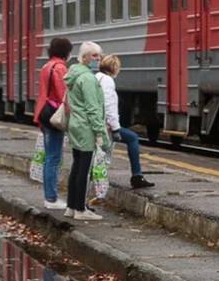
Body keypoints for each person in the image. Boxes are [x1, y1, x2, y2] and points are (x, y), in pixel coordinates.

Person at [64, 41, 110, 221]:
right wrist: (100, 132)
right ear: (84, 58)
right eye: (94, 56)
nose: (98, 59)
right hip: (86, 128)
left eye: (98, 56)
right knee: (84, 169)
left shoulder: (73, 75)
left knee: (76, 167)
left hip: (76, 124)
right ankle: (81, 209)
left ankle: (71, 206)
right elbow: (93, 108)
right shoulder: (88, 79)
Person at [96, 55, 154, 189]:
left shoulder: (97, 77)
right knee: (132, 138)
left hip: (97, 123)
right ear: (115, 68)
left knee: (99, 156)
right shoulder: (108, 81)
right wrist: (116, 128)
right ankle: (137, 176)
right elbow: (109, 106)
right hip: (105, 126)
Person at [33, 38, 73, 210]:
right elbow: (63, 94)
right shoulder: (60, 67)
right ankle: (51, 198)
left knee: (50, 156)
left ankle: (49, 196)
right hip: (54, 114)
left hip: (43, 111)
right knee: (53, 158)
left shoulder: (47, 66)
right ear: (66, 51)